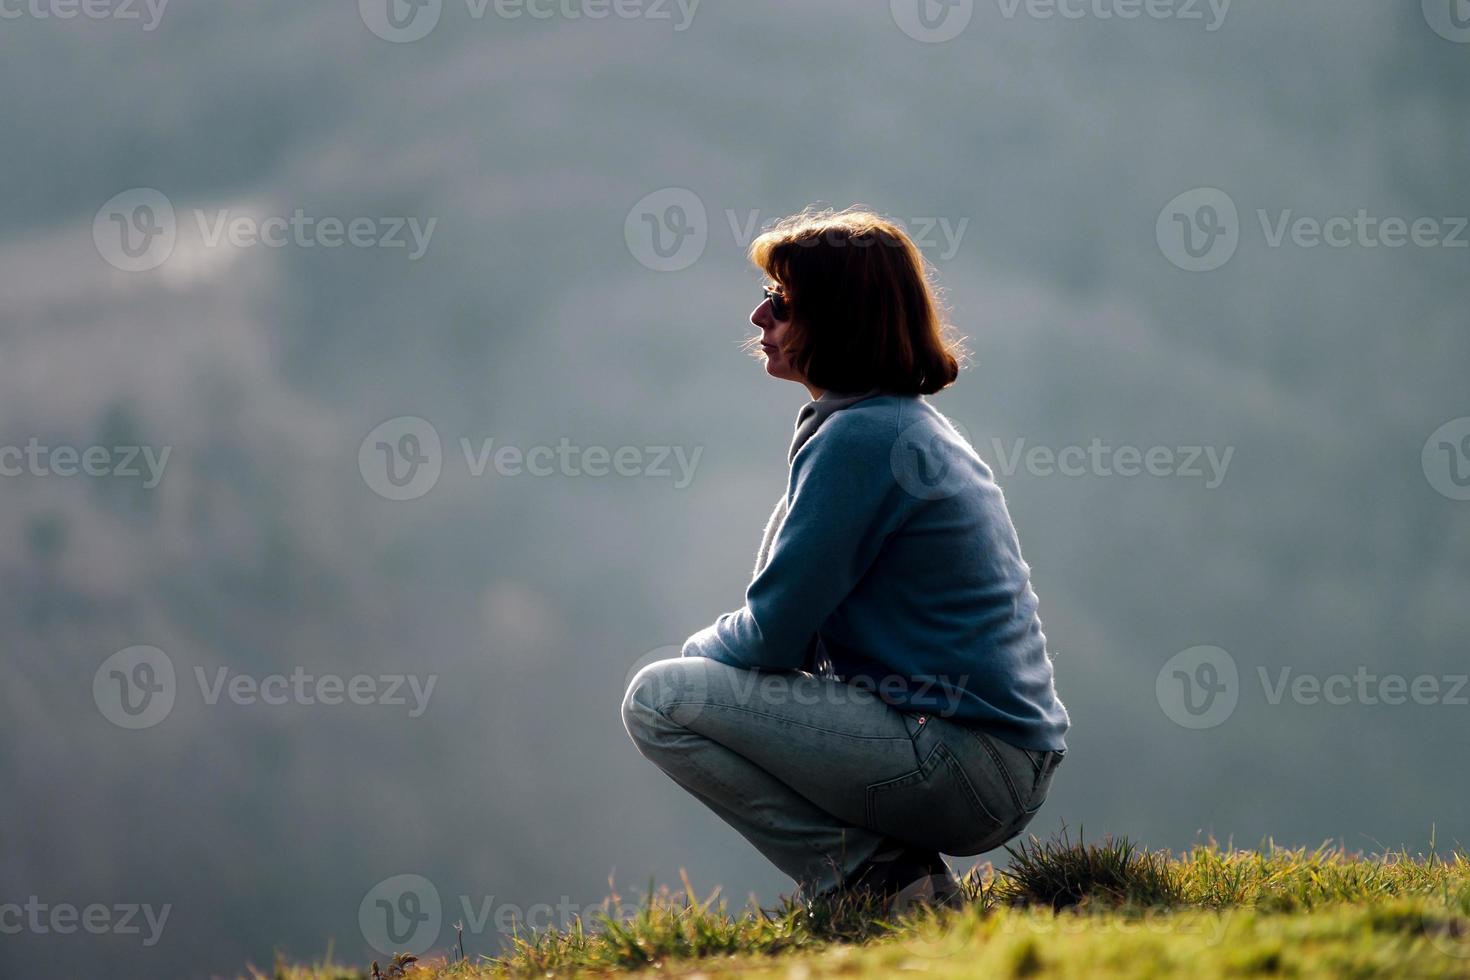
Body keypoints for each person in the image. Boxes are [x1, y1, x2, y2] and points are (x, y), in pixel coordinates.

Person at [621, 207, 1069, 912]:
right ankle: (897, 880)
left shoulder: (863, 438)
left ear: (837, 319)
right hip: (991, 759)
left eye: (782, 302)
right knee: (688, 690)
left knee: (661, 700)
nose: (757, 314)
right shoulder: (886, 423)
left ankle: (876, 883)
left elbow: (772, 636)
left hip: (964, 762)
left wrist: (698, 656)